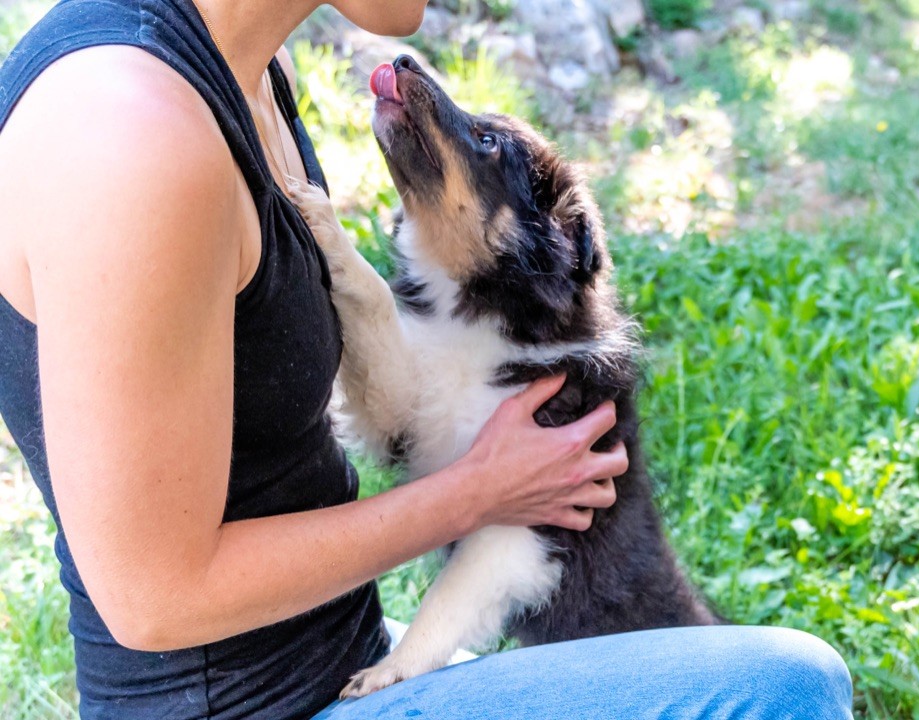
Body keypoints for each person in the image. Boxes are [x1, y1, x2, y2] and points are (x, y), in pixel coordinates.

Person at [0, 1, 854, 718]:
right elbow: (154, 601)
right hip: (259, 708)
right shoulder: (130, 137)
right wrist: (476, 492)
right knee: (785, 686)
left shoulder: (245, 69)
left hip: (340, 660)